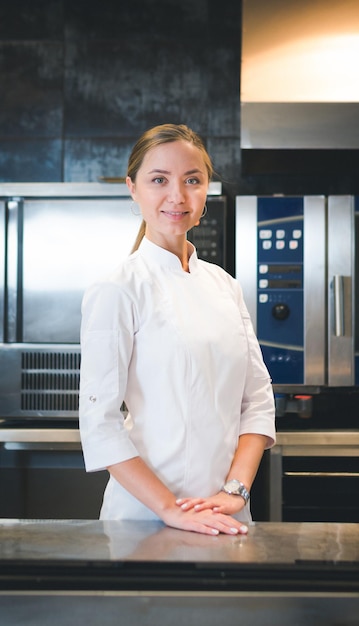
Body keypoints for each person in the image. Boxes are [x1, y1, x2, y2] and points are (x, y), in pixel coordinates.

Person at [79, 123, 276, 537]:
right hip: (143, 520)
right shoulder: (117, 289)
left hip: (226, 516)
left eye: (192, 180)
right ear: (133, 189)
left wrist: (235, 492)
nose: (177, 196)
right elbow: (100, 422)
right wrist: (171, 509)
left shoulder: (225, 286)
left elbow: (256, 401)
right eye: (158, 180)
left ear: (207, 190)